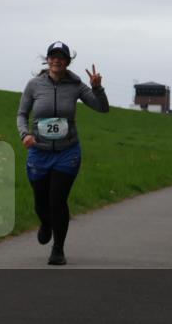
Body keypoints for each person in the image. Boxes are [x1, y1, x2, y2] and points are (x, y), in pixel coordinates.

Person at [16, 42, 109, 265]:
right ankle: (45, 223)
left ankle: (58, 249)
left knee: (57, 200)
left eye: (61, 57)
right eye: (53, 56)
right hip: (39, 151)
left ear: (67, 62)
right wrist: (24, 134)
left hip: (67, 152)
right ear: (47, 60)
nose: (56, 60)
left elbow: (102, 108)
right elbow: (21, 114)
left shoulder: (76, 85)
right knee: (41, 202)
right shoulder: (34, 85)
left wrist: (97, 88)